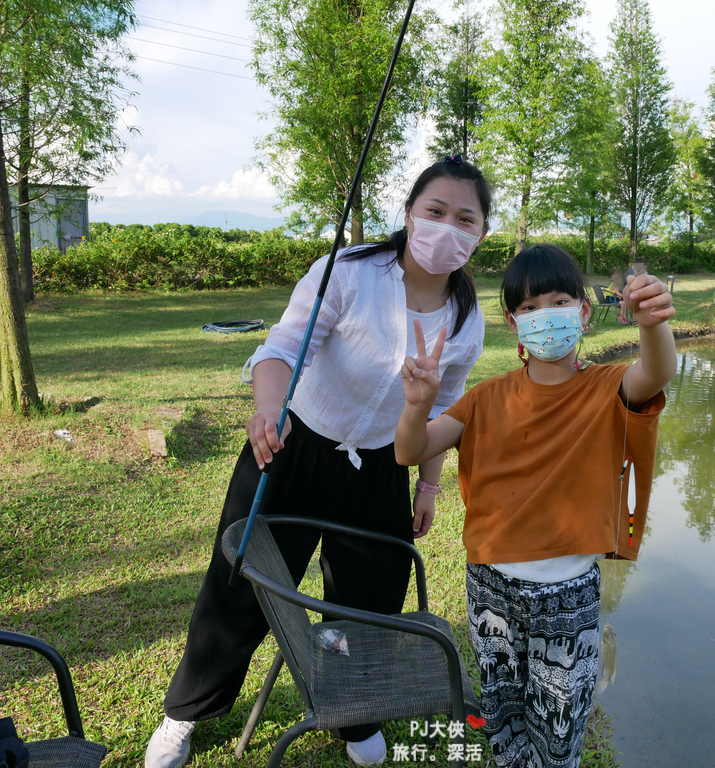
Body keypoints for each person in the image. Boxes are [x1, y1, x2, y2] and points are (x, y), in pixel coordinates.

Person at [144, 157, 492, 768]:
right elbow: (281, 347)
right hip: (292, 447)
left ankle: (356, 717)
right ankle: (186, 714)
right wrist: (269, 410)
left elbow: (444, 410)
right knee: (241, 587)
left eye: (465, 219)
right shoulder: (348, 273)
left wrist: (429, 487)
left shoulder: (467, 320)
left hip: (385, 467)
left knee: (369, 602)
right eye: (435, 211)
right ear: (409, 214)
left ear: (481, 235)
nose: (447, 228)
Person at [394, 244, 677, 768]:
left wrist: (652, 322)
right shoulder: (484, 398)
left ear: (584, 312)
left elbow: (656, 372)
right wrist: (416, 405)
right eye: (529, 307)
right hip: (489, 586)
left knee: (557, 726)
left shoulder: (609, 387)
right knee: (503, 715)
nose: (545, 315)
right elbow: (410, 450)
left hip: (566, 593)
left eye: (560, 301)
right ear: (512, 322)